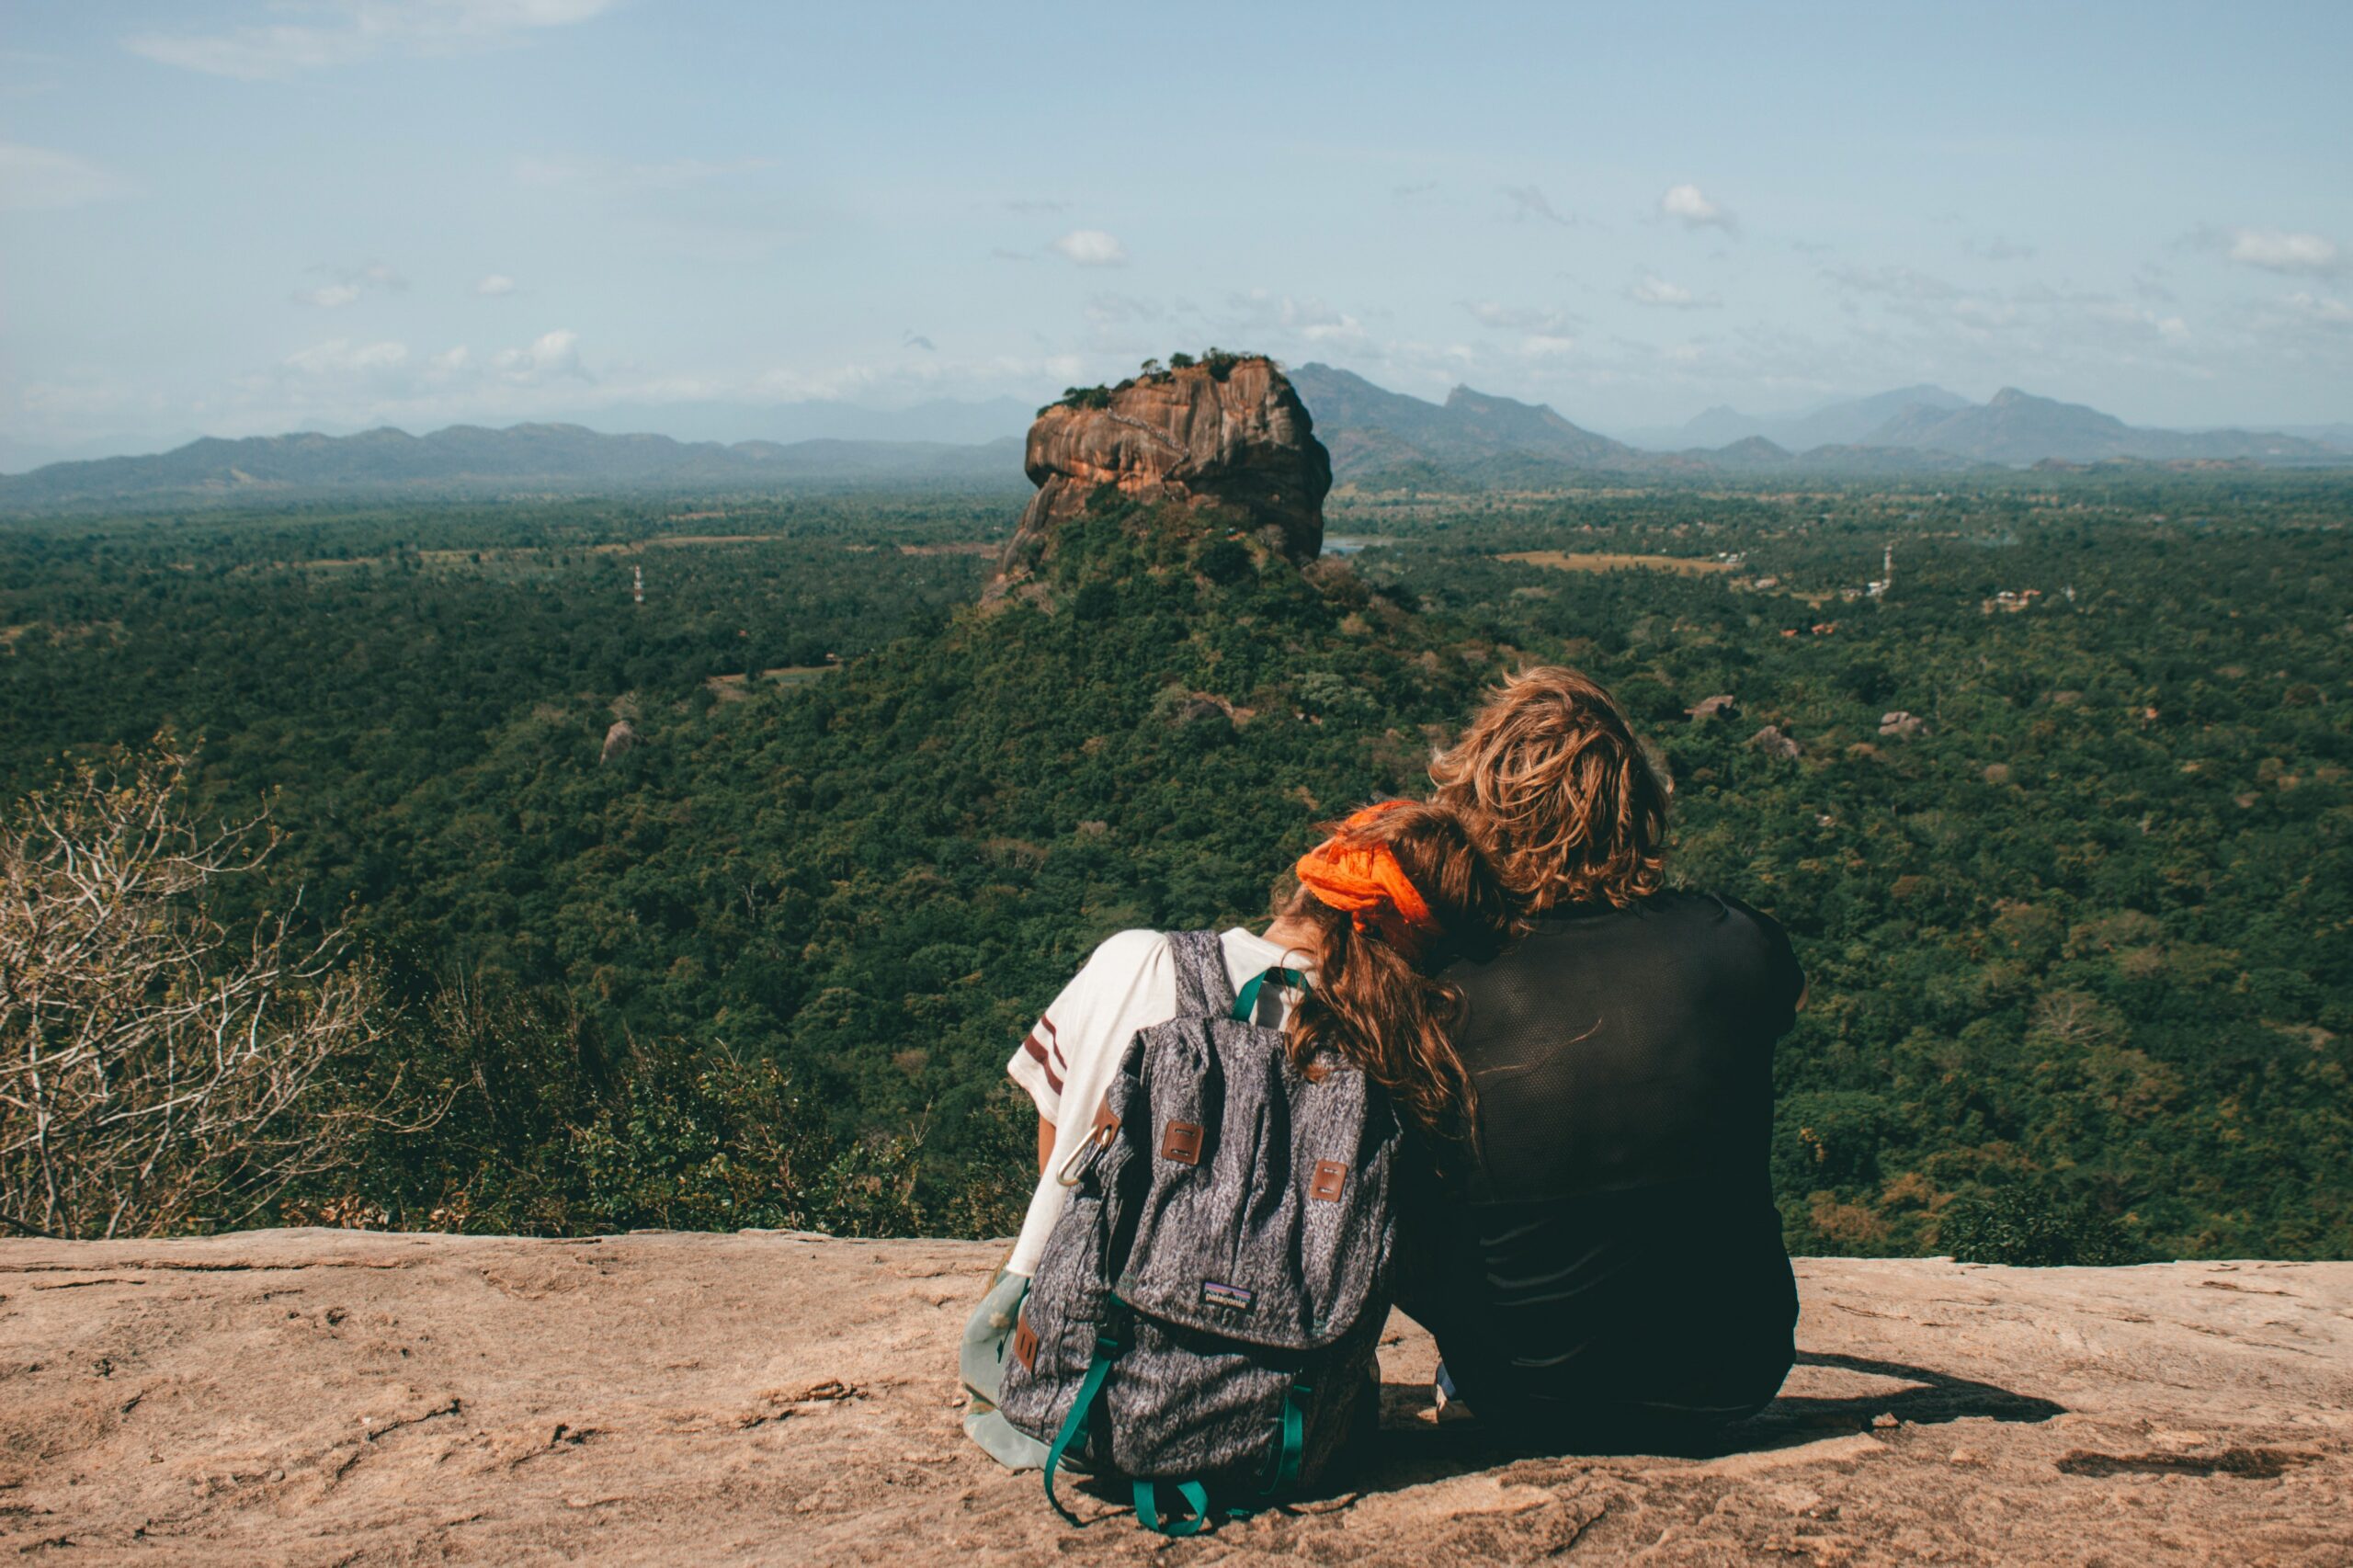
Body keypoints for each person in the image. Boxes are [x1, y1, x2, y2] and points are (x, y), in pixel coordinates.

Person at [960, 799, 1509, 1469]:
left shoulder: (1134, 959)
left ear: (1309, 881)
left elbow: (1058, 1154)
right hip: (1282, 1404)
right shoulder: (1395, 1051)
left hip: (1067, 1377)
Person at [1401, 665, 1808, 1452]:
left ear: (1479, 810)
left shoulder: (1440, 987)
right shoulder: (1739, 944)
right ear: (1638, 806)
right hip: (1733, 1375)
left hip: (1521, 1389)